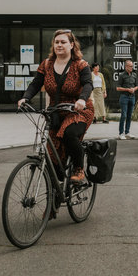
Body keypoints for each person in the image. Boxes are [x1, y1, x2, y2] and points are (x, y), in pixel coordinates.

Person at [17, 29, 94, 183]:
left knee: (69, 134)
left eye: (63, 42)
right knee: (53, 156)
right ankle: (55, 197)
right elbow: (36, 84)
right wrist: (25, 98)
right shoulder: (46, 64)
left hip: (78, 110)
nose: (59, 45)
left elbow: (88, 84)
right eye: (57, 42)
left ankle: (79, 169)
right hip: (56, 112)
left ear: (71, 45)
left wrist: (82, 100)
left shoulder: (80, 65)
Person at [116, 59, 138, 140]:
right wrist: (127, 89)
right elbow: (118, 88)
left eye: (132, 66)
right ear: (126, 67)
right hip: (124, 97)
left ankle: (127, 132)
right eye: (130, 66)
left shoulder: (134, 75)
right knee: (124, 115)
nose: (132, 67)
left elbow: (137, 86)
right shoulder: (122, 75)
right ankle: (121, 133)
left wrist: (133, 89)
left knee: (129, 116)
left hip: (132, 97)